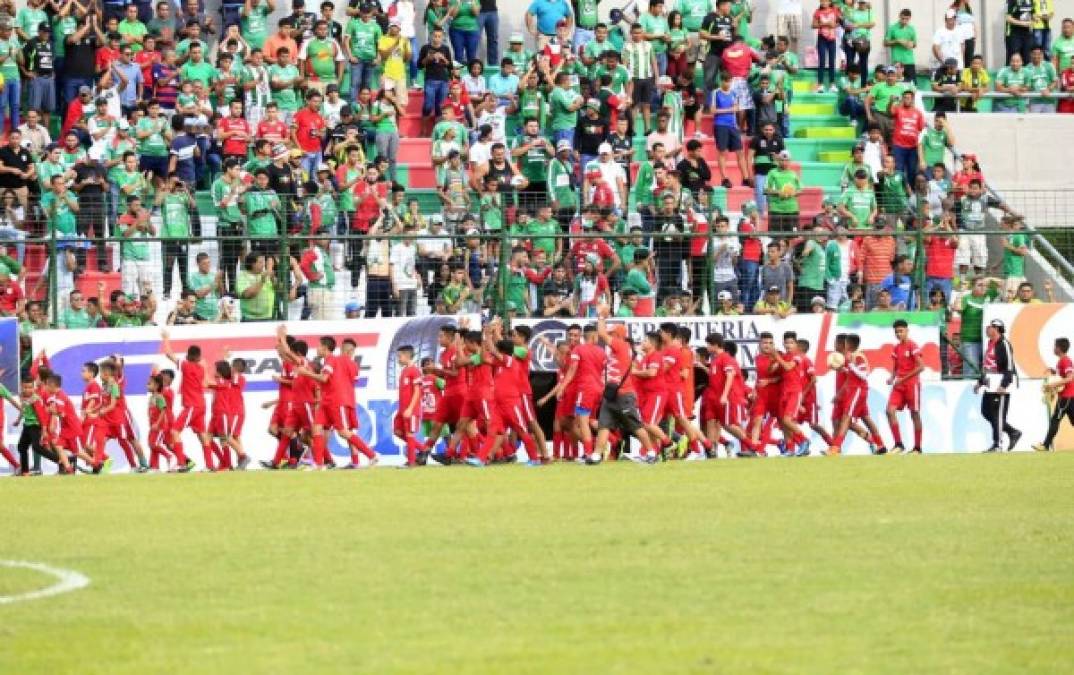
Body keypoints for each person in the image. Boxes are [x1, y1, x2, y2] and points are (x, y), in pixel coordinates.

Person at [976, 319, 1021, 453]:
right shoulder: (990, 343)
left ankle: (997, 444)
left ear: (997, 329)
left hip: (1000, 383)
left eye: (990, 327)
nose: (987, 329)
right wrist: (980, 382)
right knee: (986, 412)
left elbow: (1009, 366)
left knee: (998, 414)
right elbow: (987, 365)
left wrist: (1004, 385)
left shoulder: (1004, 344)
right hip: (990, 383)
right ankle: (1013, 432)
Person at [886, 319, 924, 454]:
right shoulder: (896, 348)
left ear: (907, 331)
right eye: (896, 332)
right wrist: (892, 377)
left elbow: (921, 367)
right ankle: (898, 444)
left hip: (911, 384)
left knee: (914, 414)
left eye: (901, 331)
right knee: (890, 411)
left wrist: (903, 379)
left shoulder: (912, 346)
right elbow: (896, 367)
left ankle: (917, 447)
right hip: (899, 385)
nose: (898, 334)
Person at [1034, 337, 1074, 452]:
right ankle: (1045, 445)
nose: (1053, 348)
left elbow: (1070, 377)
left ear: (1059, 348)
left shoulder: (1065, 361)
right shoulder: (1061, 361)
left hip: (1066, 396)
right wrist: (1053, 372)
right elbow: (1063, 376)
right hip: (1068, 396)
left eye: (1055, 346)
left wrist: (1053, 385)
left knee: (1055, 420)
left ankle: (1045, 445)